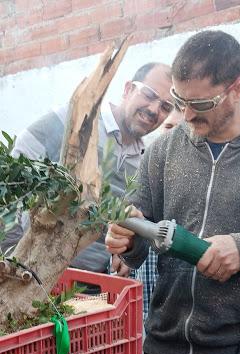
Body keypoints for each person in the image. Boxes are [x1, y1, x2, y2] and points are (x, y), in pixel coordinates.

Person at [105, 30, 240, 354]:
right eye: (179, 100)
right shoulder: (163, 151)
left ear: (237, 88)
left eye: (202, 103)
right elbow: (134, 241)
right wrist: (123, 238)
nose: (187, 114)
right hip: (167, 346)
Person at [3, 62, 173, 280]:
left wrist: (125, 251)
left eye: (166, 107)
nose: (154, 109)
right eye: (149, 95)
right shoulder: (76, 119)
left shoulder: (146, 162)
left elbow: (130, 229)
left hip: (91, 285)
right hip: (30, 274)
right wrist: (12, 255)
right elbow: (11, 177)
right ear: (128, 89)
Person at [112, 105, 183, 321]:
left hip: (174, 316)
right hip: (139, 315)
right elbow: (124, 233)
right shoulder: (144, 175)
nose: (171, 135)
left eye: (180, 129)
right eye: (168, 126)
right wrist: (123, 249)